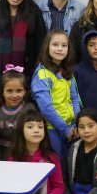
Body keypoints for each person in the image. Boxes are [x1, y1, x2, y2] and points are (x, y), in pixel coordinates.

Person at [33, 30, 82, 159]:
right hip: (52, 129)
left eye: (64, 45)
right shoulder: (42, 74)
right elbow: (46, 108)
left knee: (68, 168)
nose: (60, 49)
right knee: (56, 167)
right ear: (47, 47)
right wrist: (64, 129)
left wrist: (76, 124)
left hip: (71, 129)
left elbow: (75, 98)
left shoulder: (67, 72)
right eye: (55, 45)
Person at [8, 109, 65, 194]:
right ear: (21, 130)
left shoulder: (51, 157)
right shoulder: (13, 158)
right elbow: (10, 185)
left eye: (40, 127)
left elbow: (59, 186)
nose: (36, 130)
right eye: (30, 127)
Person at [0, 65, 36, 160]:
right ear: (2, 92)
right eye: (9, 91)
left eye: (19, 90)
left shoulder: (29, 108)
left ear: (25, 91)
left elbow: (32, 137)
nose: (14, 95)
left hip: (22, 152)